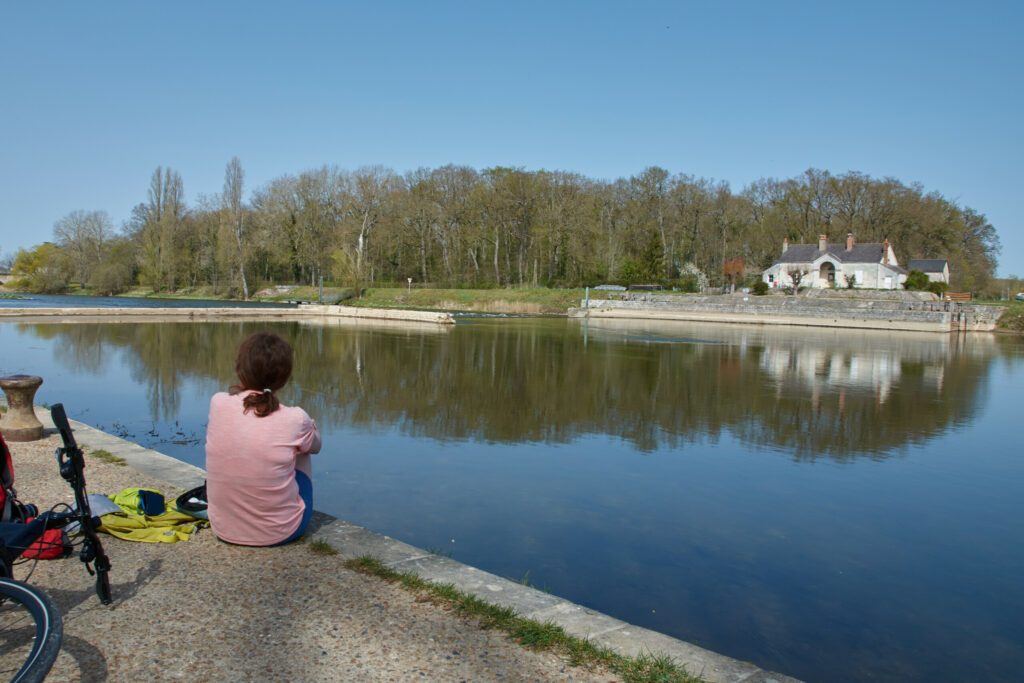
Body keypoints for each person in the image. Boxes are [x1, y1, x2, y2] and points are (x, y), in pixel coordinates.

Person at [205, 332, 321, 546]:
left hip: (222, 528)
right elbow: (317, 447)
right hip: (279, 532)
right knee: (302, 450)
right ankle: (283, 509)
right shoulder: (295, 417)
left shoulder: (218, 402)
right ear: (284, 376)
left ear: (240, 368)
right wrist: (308, 426)